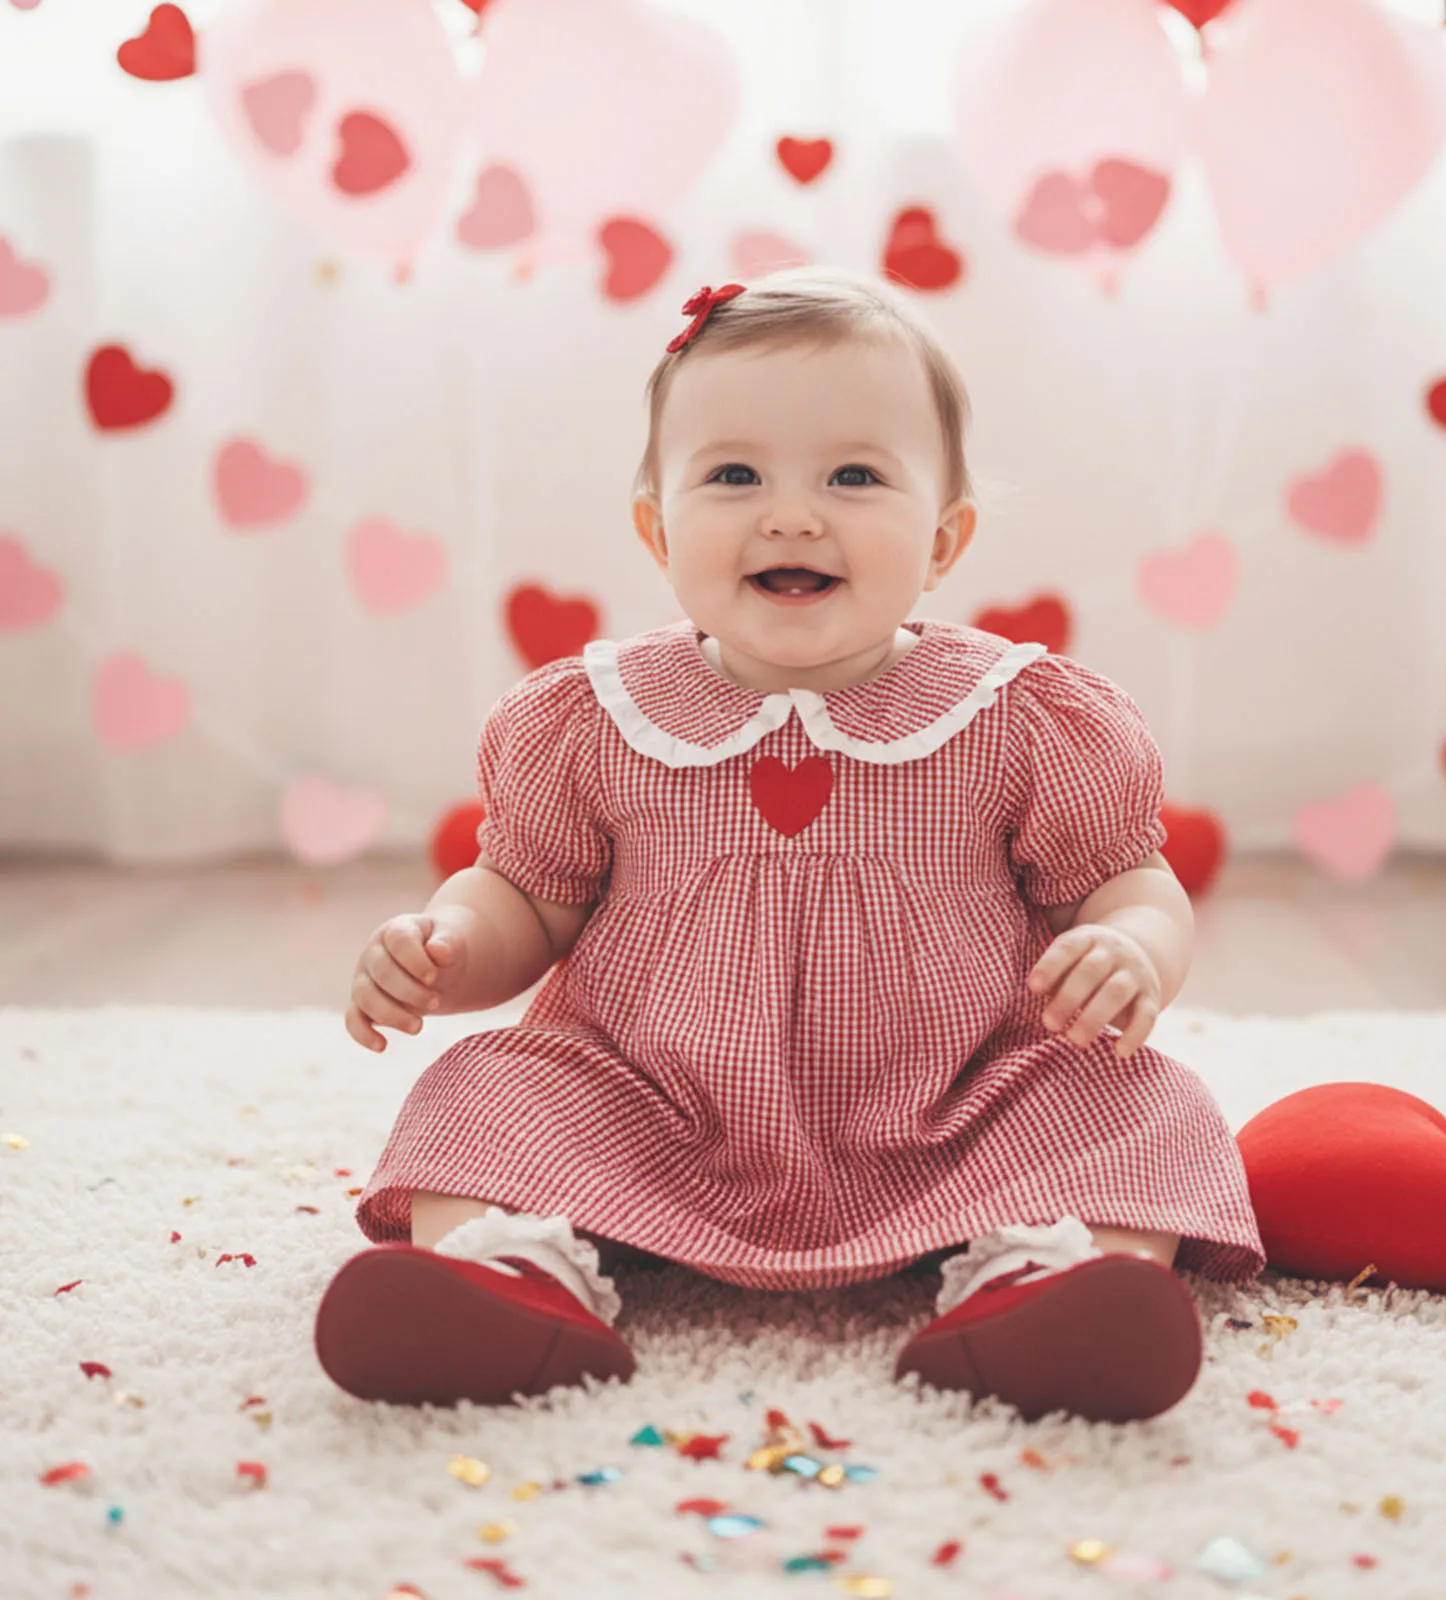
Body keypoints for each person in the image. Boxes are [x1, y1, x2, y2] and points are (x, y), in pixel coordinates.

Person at [314, 266, 1266, 1422]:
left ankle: (1050, 1277)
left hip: (957, 1103)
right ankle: (504, 1273)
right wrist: (450, 943)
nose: (792, 514)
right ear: (658, 530)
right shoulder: (597, 717)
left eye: (854, 476)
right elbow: (527, 895)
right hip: (650, 1101)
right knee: (481, 1088)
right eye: (734, 475)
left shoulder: (1018, 717)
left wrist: (1134, 950)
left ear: (946, 538)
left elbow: (1128, 885)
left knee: (1145, 1105)